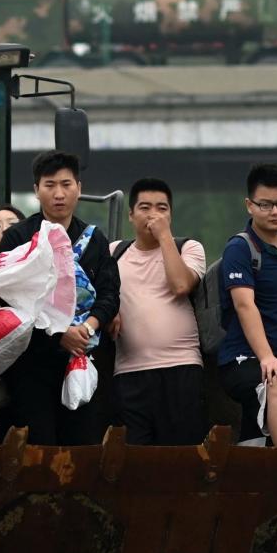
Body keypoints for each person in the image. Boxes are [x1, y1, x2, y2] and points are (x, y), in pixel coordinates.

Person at [0, 150, 120, 446]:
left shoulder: (95, 239)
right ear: (36, 190)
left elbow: (110, 293)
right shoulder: (18, 237)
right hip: (33, 361)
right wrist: (58, 334)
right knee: (38, 445)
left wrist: (87, 328)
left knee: (84, 444)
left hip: (83, 357)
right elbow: (10, 301)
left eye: (66, 184)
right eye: (50, 185)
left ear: (79, 188)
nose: (59, 194)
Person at [107, 178, 207, 446]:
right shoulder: (114, 253)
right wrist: (109, 311)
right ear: (130, 215)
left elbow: (180, 285)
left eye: (162, 208)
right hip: (129, 373)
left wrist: (164, 236)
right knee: (134, 461)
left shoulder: (189, 248)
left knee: (182, 458)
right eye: (145, 207)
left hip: (181, 367)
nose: (153, 215)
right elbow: (94, 299)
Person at [219, 163, 277, 448]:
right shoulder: (240, 248)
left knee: (256, 426)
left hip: (276, 358)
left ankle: (251, 483)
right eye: (265, 205)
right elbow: (245, 306)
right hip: (243, 359)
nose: (275, 212)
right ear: (249, 205)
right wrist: (266, 358)